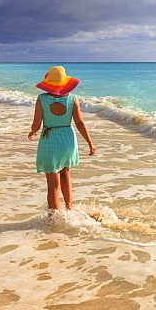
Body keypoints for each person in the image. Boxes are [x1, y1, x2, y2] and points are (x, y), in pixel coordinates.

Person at [27, 66, 96, 211]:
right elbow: (79, 123)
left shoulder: (42, 99)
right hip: (68, 139)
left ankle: (54, 218)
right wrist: (90, 142)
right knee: (65, 173)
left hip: (50, 139)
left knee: (53, 185)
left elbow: (36, 124)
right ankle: (69, 207)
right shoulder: (73, 99)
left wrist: (32, 132)